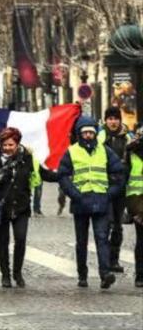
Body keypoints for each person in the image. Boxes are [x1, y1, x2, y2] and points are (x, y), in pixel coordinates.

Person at [58, 115, 124, 289]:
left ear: (95, 134)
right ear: (80, 134)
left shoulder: (105, 151)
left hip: (101, 201)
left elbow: (119, 174)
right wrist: (75, 194)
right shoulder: (71, 151)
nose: (88, 135)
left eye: (91, 132)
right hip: (80, 202)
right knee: (82, 241)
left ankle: (105, 274)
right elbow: (63, 176)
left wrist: (109, 194)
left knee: (102, 238)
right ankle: (82, 274)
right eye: (85, 132)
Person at [0, 127, 41, 288]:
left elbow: (39, 175)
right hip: (0, 206)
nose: (8, 148)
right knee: (2, 242)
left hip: (21, 206)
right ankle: (5, 275)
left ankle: (17, 273)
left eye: (11, 145)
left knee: (20, 239)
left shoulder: (27, 158)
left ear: (17, 144)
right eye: (5, 145)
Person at [98, 106, 132, 274]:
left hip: (122, 186)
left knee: (118, 226)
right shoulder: (100, 137)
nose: (113, 122)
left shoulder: (127, 138)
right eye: (110, 119)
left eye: (115, 118)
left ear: (120, 120)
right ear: (106, 120)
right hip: (104, 186)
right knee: (107, 224)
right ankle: (105, 261)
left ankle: (114, 260)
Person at [125, 136, 143, 287]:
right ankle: (140, 275)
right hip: (137, 202)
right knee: (141, 240)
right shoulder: (132, 153)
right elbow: (126, 180)